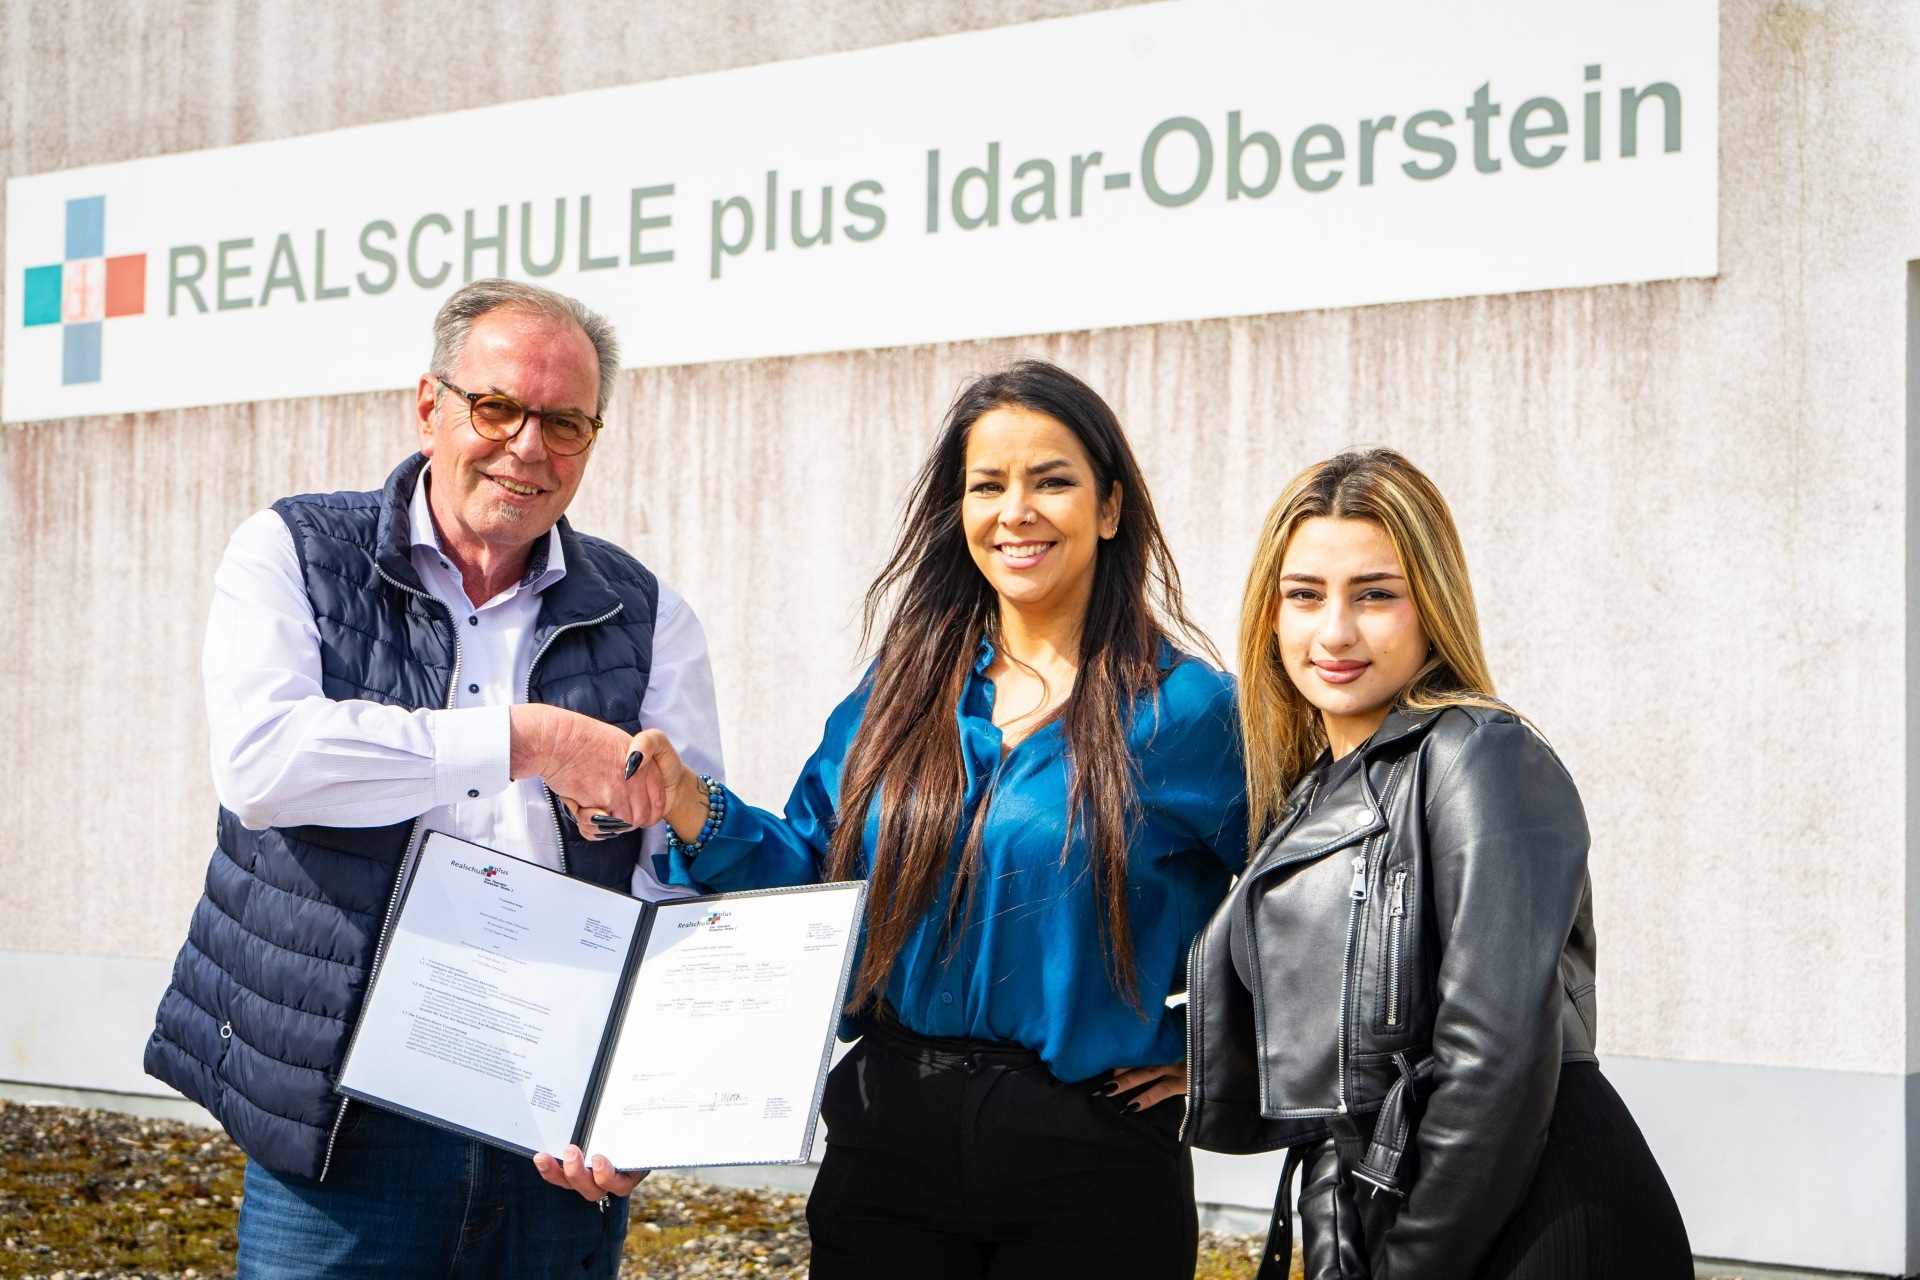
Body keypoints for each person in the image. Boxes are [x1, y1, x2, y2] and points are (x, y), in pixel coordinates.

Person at [566, 359, 1248, 1278]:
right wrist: (690, 802)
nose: (1017, 511)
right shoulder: (900, 693)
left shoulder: (1189, 711)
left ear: (1111, 507)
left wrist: (1226, 1048)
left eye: (1052, 481)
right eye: (988, 485)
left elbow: (1302, 895)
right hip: (889, 1140)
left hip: (1089, 1157)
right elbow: (813, 885)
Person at [144, 279, 725, 1278]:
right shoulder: (293, 550)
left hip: (551, 1116)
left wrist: (643, 1091)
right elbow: (268, 761)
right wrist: (526, 740)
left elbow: (681, 859)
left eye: (567, 422)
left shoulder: (649, 612)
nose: (529, 446)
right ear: (430, 405)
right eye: (497, 407)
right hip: (346, 1113)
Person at [1185, 449, 1690, 1280]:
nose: (1335, 631)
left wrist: (1412, 1263)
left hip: (1527, 1213)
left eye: (1375, 594)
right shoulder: (1317, 789)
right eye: (1305, 595)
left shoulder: (1479, 755)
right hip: (1406, 1199)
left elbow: (1491, 1064)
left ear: (1432, 604)